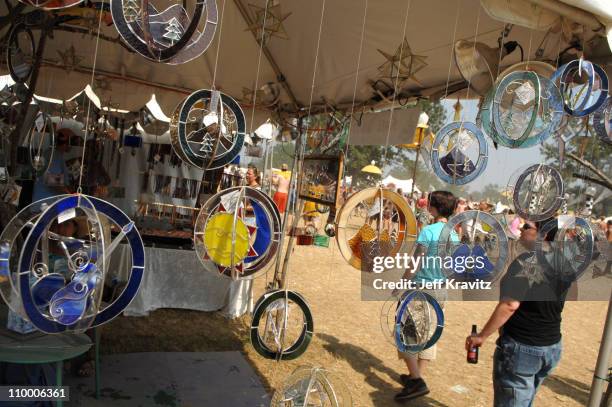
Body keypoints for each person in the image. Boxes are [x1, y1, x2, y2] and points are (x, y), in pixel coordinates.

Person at [465, 220, 571, 407]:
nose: (521, 229)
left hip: (524, 346)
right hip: (551, 345)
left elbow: (510, 305)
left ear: (543, 234)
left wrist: (481, 336)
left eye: (527, 227)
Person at [394, 191, 459, 402]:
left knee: (406, 333)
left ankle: (416, 380)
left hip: (420, 289)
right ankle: (417, 376)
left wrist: (402, 283)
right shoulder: (454, 235)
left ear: (433, 208)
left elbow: (416, 262)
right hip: (440, 290)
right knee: (429, 334)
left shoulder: (428, 231)